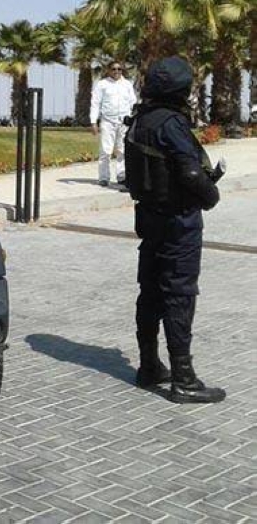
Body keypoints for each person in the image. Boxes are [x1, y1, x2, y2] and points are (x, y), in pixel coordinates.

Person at [124, 56, 225, 404]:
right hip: (178, 220)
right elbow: (190, 172)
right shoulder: (171, 123)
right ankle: (183, 379)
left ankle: (149, 364)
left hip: (150, 216)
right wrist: (210, 196)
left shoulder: (141, 119)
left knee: (150, 290)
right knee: (179, 293)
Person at [90, 61, 137, 187]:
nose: (116, 71)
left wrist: (133, 119)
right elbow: (95, 103)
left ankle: (122, 176)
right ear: (108, 70)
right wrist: (93, 122)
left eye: (119, 69)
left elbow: (133, 102)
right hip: (107, 121)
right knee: (106, 150)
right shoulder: (102, 84)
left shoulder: (127, 84)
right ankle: (104, 177)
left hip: (124, 122)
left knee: (122, 150)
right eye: (114, 69)